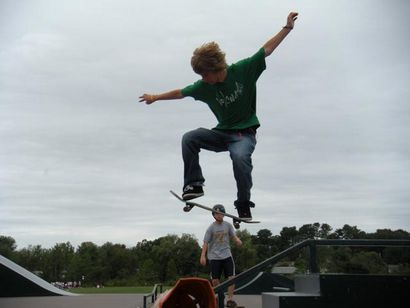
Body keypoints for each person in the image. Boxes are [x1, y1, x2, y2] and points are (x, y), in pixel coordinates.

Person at [140, 12, 299, 220]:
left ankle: (243, 203)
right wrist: (155, 97)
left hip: (244, 134)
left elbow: (266, 50)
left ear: (216, 68)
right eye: (201, 76)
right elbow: (181, 92)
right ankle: (194, 184)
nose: (203, 79)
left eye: (205, 74)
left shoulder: (243, 70)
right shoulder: (203, 86)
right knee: (190, 137)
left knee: (240, 157)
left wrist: (286, 29)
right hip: (222, 133)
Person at [200, 204, 242, 308]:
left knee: (232, 277)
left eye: (221, 214)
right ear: (214, 215)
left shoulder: (228, 225)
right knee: (215, 279)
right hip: (214, 257)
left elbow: (233, 235)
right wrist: (202, 256)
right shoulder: (211, 228)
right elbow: (205, 243)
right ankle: (220, 296)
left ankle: (230, 300)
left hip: (227, 255)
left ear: (224, 214)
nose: (219, 215)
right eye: (217, 214)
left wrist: (237, 240)